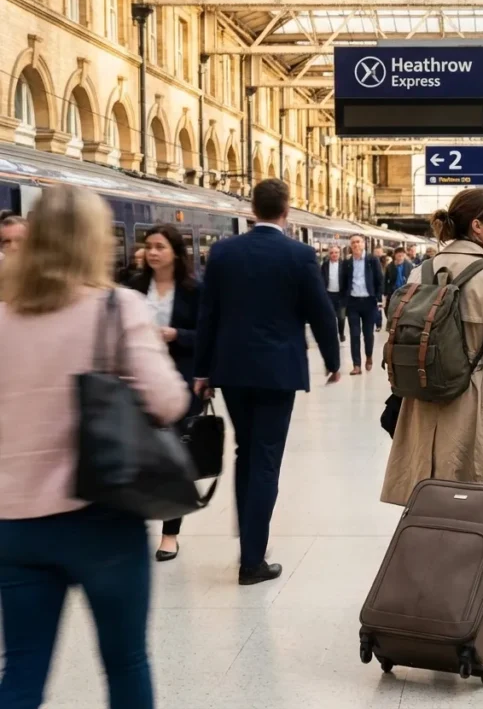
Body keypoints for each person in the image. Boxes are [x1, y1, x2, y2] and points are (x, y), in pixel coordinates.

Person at [0, 185, 189, 709]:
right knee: (125, 662)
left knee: (21, 671)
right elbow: (169, 401)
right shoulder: (118, 307)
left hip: (14, 524)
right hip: (101, 518)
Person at [194, 178, 341, 586]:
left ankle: (250, 544)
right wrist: (333, 360)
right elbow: (321, 312)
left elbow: (209, 316)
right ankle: (252, 560)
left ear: (252, 209)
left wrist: (201, 371)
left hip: (233, 371)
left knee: (246, 452)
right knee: (266, 458)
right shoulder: (298, 254)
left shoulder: (223, 252)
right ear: (287, 210)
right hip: (278, 373)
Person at [382, 187, 483, 502]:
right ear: (477, 225)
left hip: (421, 398)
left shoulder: (420, 272)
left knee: (427, 491)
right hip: (473, 402)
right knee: (475, 496)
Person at [127, 224, 203, 562]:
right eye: (149, 246)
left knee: (173, 457)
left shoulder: (193, 290)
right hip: (136, 381)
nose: (152, 252)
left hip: (178, 381)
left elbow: (205, 334)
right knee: (138, 457)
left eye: (159, 246)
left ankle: (170, 533)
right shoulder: (132, 288)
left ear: (175, 251)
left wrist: (177, 335)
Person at [339, 234, 384, 375]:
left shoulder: (372, 260)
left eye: (358, 242)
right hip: (353, 303)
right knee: (354, 334)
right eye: (353, 243)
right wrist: (344, 299)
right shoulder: (347, 262)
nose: (356, 245)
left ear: (363, 244)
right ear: (350, 246)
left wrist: (379, 298)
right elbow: (343, 281)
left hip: (369, 302)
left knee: (368, 334)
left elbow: (379, 280)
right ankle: (356, 365)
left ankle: (369, 356)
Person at [321, 245, 346, 344]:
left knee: (341, 317)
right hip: (329, 294)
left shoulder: (344, 265)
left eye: (336, 252)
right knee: (330, 316)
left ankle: (341, 333)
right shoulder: (325, 265)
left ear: (339, 254)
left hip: (340, 295)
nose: (334, 254)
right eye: (332, 253)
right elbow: (321, 278)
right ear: (329, 254)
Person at [383, 247, 413, 311]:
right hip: (393, 292)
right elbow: (385, 280)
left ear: (405, 255)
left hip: (406, 292)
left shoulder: (409, 266)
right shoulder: (390, 266)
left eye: (402, 254)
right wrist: (385, 293)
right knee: (391, 310)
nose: (400, 255)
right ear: (395, 255)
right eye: (398, 254)